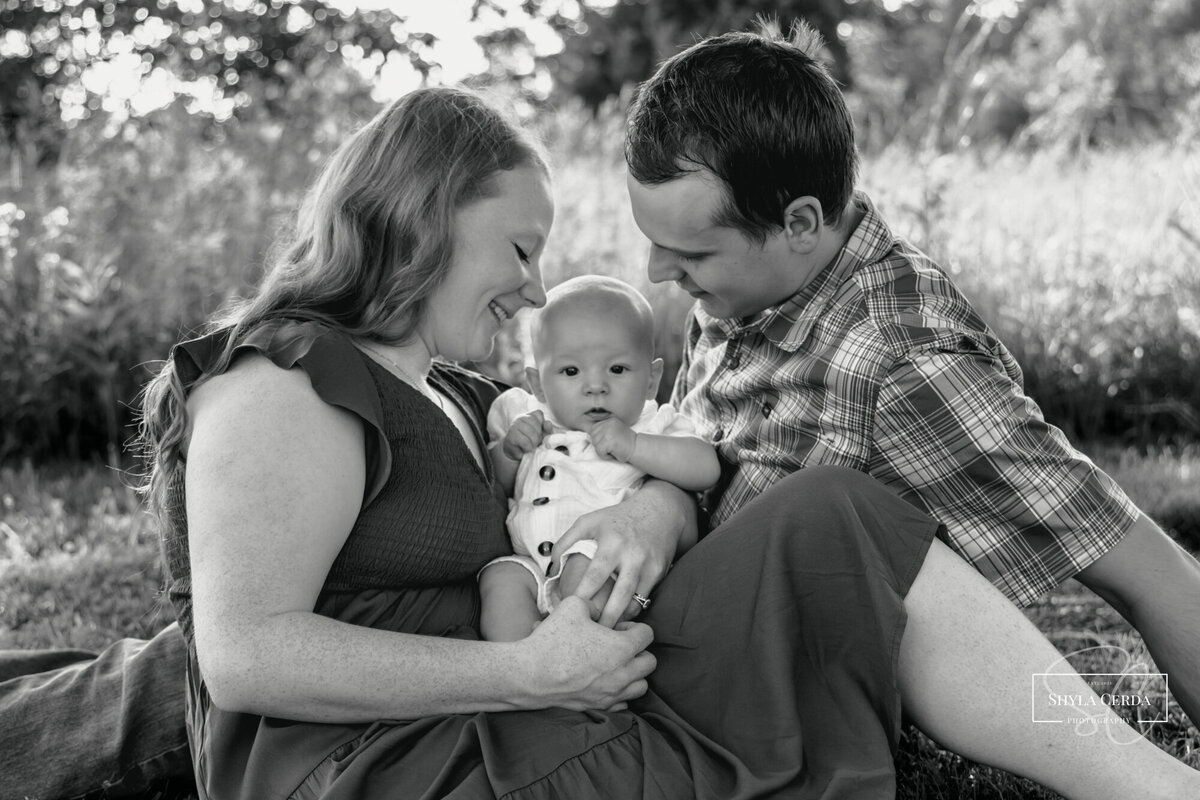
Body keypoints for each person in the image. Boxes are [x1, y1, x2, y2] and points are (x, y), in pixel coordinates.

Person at [1, 86, 1198, 800]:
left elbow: (617, 473)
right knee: (833, 528)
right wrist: (523, 672)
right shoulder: (282, 375)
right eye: (519, 248)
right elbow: (250, 654)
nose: (534, 289)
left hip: (533, 708)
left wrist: (659, 507)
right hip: (399, 767)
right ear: (422, 215)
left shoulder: (453, 388)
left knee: (836, 512)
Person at [623, 19, 1200, 729]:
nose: (659, 273)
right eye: (654, 243)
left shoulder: (901, 363)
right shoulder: (746, 286)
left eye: (691, 253)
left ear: (800, 222)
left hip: (761, 711)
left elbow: (1146, 571)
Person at [480, 275, 720, 640]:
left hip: (604, 556)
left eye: (618, 369)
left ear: (652, 379)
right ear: (538, 383)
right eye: (571, 371)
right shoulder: (522, 414)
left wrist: (635, 446)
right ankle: (520, 672)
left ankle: (581, 662)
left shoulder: (650, 423)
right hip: (531, 562)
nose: (596, 386)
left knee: (584, 572)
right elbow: (489, 483)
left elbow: (706, 468)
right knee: (500, 580)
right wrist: (510, 451)